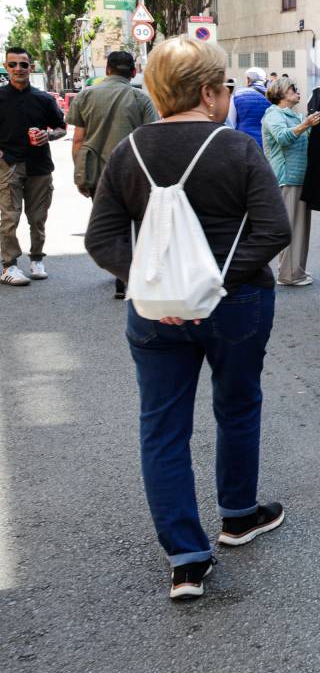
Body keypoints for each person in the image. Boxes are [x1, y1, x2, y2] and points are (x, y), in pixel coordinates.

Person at [84, 36, 292, 600]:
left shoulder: (128, 152)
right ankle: (239, 515)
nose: (226, 94)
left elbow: (101, 239)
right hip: (236, 302)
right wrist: (211, 283)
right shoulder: (237, 148)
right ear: (206, 92)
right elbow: (273, 230)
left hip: (156, 314)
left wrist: (157, 283)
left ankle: (186, 559)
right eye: (223, 86)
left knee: (162, 425)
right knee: (238, 404)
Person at [67, 50, 159, 298]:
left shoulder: (85, 95)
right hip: (133, 171)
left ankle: (119, 274)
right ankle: (128, 277)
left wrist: (80, 174)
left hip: (97, 171)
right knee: (135, 222)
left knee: (109, 222)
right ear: (133, 72)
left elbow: (78, 140)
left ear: (107, 70)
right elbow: (151, 139)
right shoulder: (140, 98)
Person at [0, 46, 67, 286]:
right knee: (10, 218)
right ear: (6, 67)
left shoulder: (43, 99)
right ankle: (9, 266)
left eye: (23, 64)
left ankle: (37, 259)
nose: (18, 68)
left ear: (31, 67)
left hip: (40, 166)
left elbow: (61, 128)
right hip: (9, 165)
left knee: (38, 218)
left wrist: (48, 135)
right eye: (13, 64)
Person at [262, 75, 320, 287]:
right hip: (287, 178)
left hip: (300, 178)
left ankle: (297, 270)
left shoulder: (294, 115)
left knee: (300, 228)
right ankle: (288, 274)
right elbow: (282, 137)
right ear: (280, 94)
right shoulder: (274, 114)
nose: (297, 91)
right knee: (292, 228)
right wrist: (306, 124)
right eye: (292, 88)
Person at [226, 67, 271, 147]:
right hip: (266, 143)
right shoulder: (271, 95)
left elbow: (231, 123)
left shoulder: (237, 95)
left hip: (244, 142)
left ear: (248, 79)